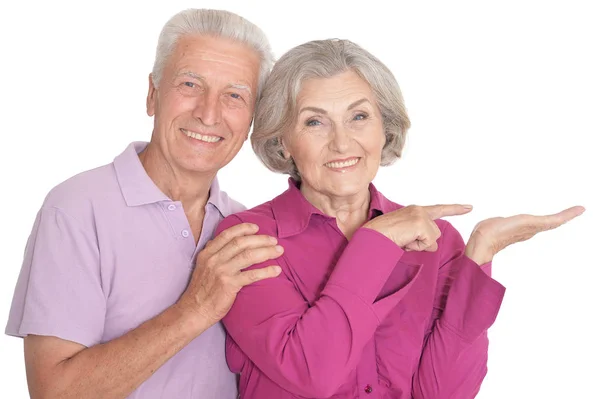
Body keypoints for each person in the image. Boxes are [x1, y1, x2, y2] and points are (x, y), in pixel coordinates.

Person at [216, 39, 585, 398]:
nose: (342, 144)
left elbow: (444, 393)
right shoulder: (247, 238)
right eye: (315, 122)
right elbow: (311, 373)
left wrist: (479, 259)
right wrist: (374, 245)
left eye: (359, 117)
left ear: (385, 128)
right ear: (283, 141)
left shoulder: (435, 240)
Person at [4, 8, 283, 399]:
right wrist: (196, 309)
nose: (208, 113)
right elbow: (55, 393)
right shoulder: (75, 210)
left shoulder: (249, 229)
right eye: (190, 84)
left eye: (234, 96)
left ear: (252, 119)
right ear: (152, 94)